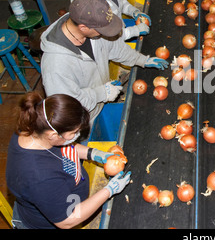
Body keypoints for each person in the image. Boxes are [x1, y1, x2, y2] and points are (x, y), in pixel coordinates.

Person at [40, 0, 168, 128]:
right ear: (83, 27)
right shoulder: (55, 66)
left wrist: (143, 60)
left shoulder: (92, 29)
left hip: (101, 103)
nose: (106, 33)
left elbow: (116, 49)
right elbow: (68, 106)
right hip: (82, 121)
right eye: (103, 29)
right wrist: (101, 93)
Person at [6, 92, 131, 229]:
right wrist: (109, 190)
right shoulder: (39, 177)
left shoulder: (36, 128)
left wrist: (94, 154)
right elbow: (68, 219)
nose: (76, 136)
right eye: (73, 133)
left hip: (64, 196)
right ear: (54, 135)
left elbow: (65, 148)